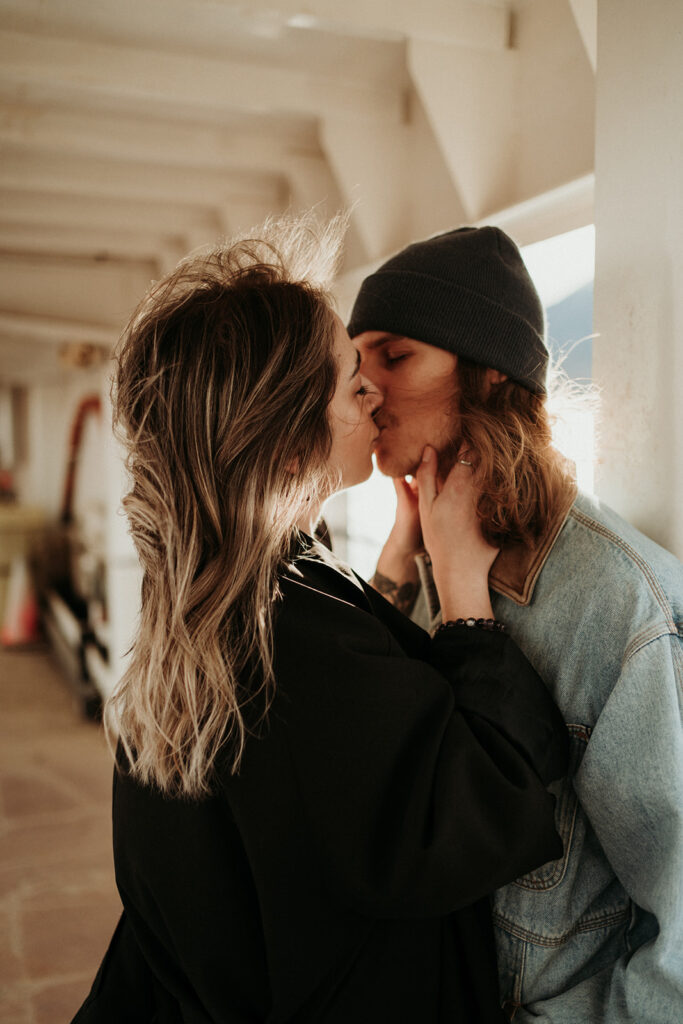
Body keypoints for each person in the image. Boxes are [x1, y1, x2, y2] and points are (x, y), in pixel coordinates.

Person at [72, 216, 568, 1024]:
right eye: (349, 376)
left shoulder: (215, 587)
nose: (372, 389)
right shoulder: (286, 633)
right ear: (290, 438)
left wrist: (397, 570)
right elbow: (471, 810)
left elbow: (343, 737)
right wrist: (464, 598)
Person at [348, 225, 683, 1023]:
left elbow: (677, 928)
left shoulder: (613, 601)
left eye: (394, 357)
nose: (364, 388)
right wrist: (406, 556)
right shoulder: (439, 551)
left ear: (487, 372)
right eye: (356, 363)